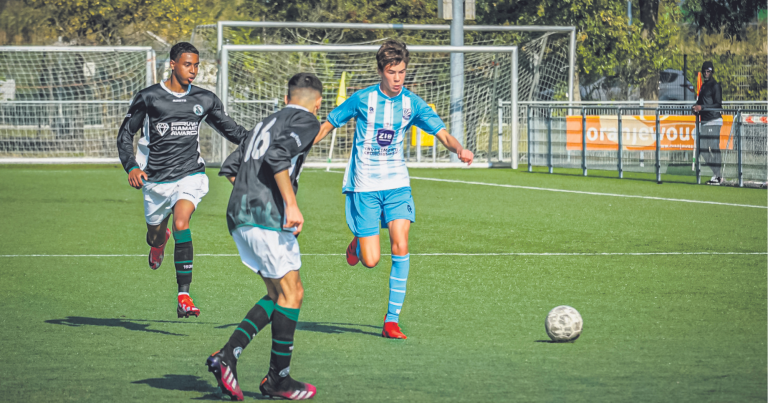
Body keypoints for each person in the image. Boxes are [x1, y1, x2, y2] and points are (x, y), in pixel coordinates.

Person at [312, 40, 474, 339]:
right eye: (392, 72)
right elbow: (328, 124)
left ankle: (391, 320)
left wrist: (459, 149)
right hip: (365, 186)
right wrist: (303, 143)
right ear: (380, 71)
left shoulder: (412, 103)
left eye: (401, 72)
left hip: (397, 185)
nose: (398, 78)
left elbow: (443, 133)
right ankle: (359, 244)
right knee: (371, 260)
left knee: (401, 243)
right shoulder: (362, 99)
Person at [205, 73, 323, 401]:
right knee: (292, 293)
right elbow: (277, 157)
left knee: (277, 294)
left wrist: (253, 198)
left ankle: (228, 357)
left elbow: (231, 169)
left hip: (239, 215)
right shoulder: (307, 120)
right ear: (318, 102)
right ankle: (276, 380)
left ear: (286, 98)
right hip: (266, 219)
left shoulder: (265, 121)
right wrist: (290, 204)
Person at [116, 42, 250, 318]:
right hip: (155, 180)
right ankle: (159, 241)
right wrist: (131, 166)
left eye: (196, 65)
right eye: (188, 64)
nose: (193, 70)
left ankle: (184, 295)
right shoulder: (149, 97)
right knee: (154, 237)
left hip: (191, 174)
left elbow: (232, 130)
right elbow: (124, 134)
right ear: (173, 64)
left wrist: (264, 140)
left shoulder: (204, 99)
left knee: (181, 222)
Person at [692, 61, 724, 185]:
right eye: (705, 71)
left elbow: (718, 104)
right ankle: (717, 174)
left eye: (708, 71)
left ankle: (717, 176)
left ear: (712, 72)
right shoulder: (703, 87)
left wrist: (702, 108)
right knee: (702, 149)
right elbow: (699, 103)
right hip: (704, 121)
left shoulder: (715, 85)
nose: (706, 73)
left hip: (714, 120)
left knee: (714, 147)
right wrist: (694, 108)